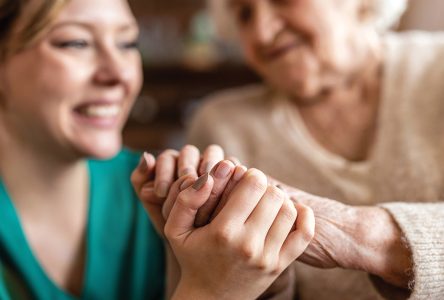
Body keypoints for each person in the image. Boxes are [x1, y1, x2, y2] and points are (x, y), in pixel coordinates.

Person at [0, 0, 315, 299]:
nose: (119, 73)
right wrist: (211, 291)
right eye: (76, 43)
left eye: (127, 44)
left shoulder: (162, 195)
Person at [188, 0, 444, 299]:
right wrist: (262, 278)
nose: (261, 33)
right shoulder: (224, 127)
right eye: (244, 14)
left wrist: (353, 233)